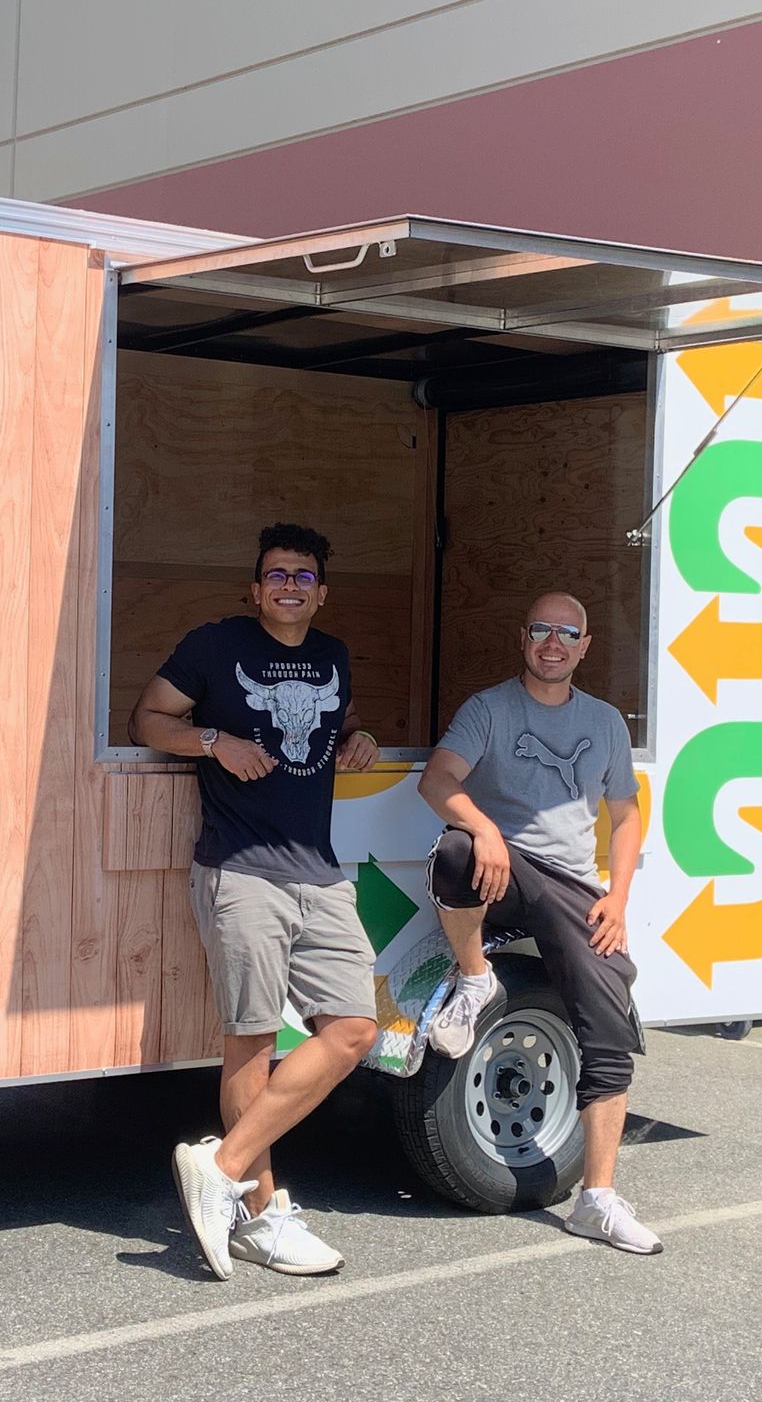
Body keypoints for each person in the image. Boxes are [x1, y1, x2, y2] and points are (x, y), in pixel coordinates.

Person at [130, 522, 381, 1279]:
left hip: (321, 872)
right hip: (240, 869)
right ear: (255, 587)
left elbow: (338, 723)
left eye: (304, 576)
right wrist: (214, 743)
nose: (290, 586)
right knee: (252, 1040)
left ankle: (223, 1166)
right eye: (277, 574)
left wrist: (360, 736)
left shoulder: (332, 655)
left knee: (356, 1030)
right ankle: (260, 1214)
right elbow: (147, 718)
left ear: (321, 592)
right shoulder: (216, 645)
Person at [417, 591, 661, 1254]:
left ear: (585, 647)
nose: (553, 643)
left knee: (607, 1019)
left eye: (568, 633)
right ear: (523, 638)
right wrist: (485, 826)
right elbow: (437, 781)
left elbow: (627, 814)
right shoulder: (489, 709)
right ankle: (476, 983)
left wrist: (618, 896)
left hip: (578, 891)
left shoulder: (606, 721)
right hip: (510, 869)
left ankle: (598, 1200)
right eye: (542, 631)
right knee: (457, 850)